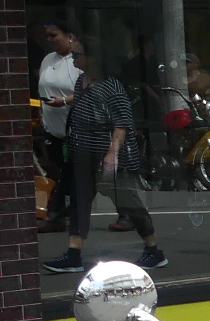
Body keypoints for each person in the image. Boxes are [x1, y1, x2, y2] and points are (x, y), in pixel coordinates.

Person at [44, 47, 165, 273]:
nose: (74, 57)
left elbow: (122, 122)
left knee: (128, 202)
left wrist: (112, 153)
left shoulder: (112, 86)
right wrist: (65, 101)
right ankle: (73, 254)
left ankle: (153, 249)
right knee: (80, 201)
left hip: (105, 154)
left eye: (78, 54)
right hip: (84, 153)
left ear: (92, 58)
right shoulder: (82, 81)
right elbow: (84, 99)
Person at [34, 22, 81, 231]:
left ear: (69, 35)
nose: (50, 40)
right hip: (53, 127)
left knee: (73, 174)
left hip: (77, 127)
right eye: (47, 36)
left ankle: (56, 214)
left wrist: (65, 100)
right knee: (59, 171)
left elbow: (91, 90)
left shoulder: (79, 61)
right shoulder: (48, 59)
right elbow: (42, 88)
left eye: (54, 35)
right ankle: (57, 214)